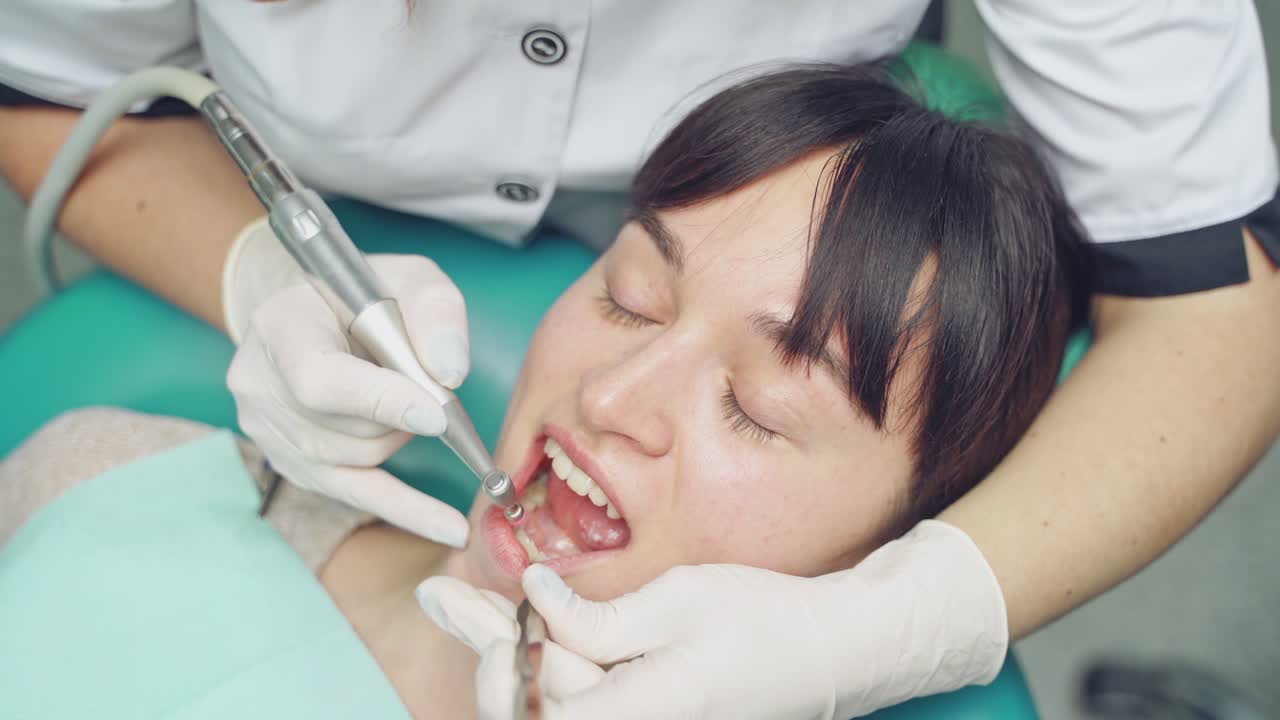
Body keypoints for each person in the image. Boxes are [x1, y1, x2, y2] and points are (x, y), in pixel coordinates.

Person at [0, 2, 1276, 717]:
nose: (609, 399)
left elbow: (1218, 311)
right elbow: (39, 88)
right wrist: (263, 272)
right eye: (623, 298)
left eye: (763, 413)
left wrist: (885, 629)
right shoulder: (103, 480)